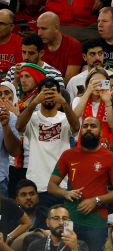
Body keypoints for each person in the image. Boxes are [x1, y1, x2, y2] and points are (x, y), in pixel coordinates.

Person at [47, 116, 113, 251]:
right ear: (81, 130)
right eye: (85, 126)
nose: (88, 128)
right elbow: (51, 186)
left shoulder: (110, 157)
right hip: (70, 219)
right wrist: (65, 193)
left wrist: (96, 201)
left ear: (101, 132)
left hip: (96, 221)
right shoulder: (68, 155)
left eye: (93, 126)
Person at [16, 76, 79, 209]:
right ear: (39, 94)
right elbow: (19, 127)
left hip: (61, 185)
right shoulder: (32, 118)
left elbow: (76, 127)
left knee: (61, 226)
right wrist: (33, 103)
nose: (49, 96)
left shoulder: (64, 118)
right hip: (36, 185)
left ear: (59, 94)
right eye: (45, 92)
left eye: (53, 92)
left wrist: (65, 103)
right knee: (39, 228)